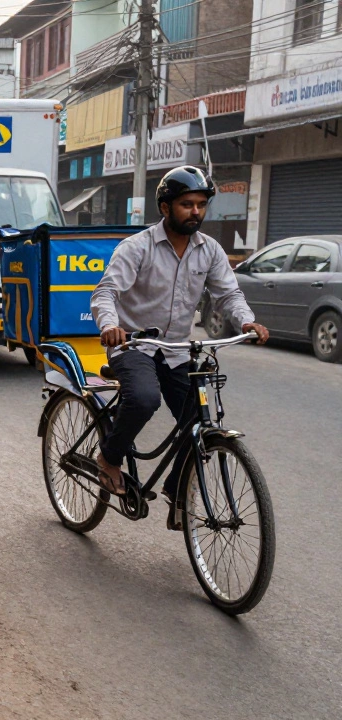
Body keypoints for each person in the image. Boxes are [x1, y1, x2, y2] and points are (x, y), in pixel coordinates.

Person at [90, 165, 268, 519]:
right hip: (134, 347)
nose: (196, 212)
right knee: (143, 399)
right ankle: (108, 459)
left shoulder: (210, 251)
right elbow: (107, 292)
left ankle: (177, 491)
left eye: (201, 204)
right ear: (166, 207)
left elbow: (228, 294)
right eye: (187, 204)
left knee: (198, 418)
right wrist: (111, 326)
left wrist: (246, 320)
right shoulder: (137, 247)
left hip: (177, 351)